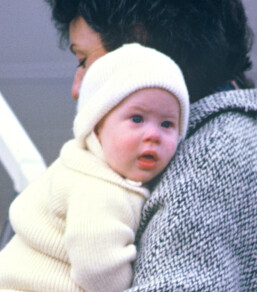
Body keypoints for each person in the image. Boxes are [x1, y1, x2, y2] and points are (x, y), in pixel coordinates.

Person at [43, 0, 257, 291]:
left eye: (83, 61)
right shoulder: (242, 135)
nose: (77, 88)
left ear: (141, 43)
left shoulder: (211, 162)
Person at [0, 43, 190, 292]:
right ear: (98, 125)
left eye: (167, 124)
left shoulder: (79, 163)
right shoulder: (99, 189)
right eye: (137, 119)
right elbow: (99, 271)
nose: (153, 135)